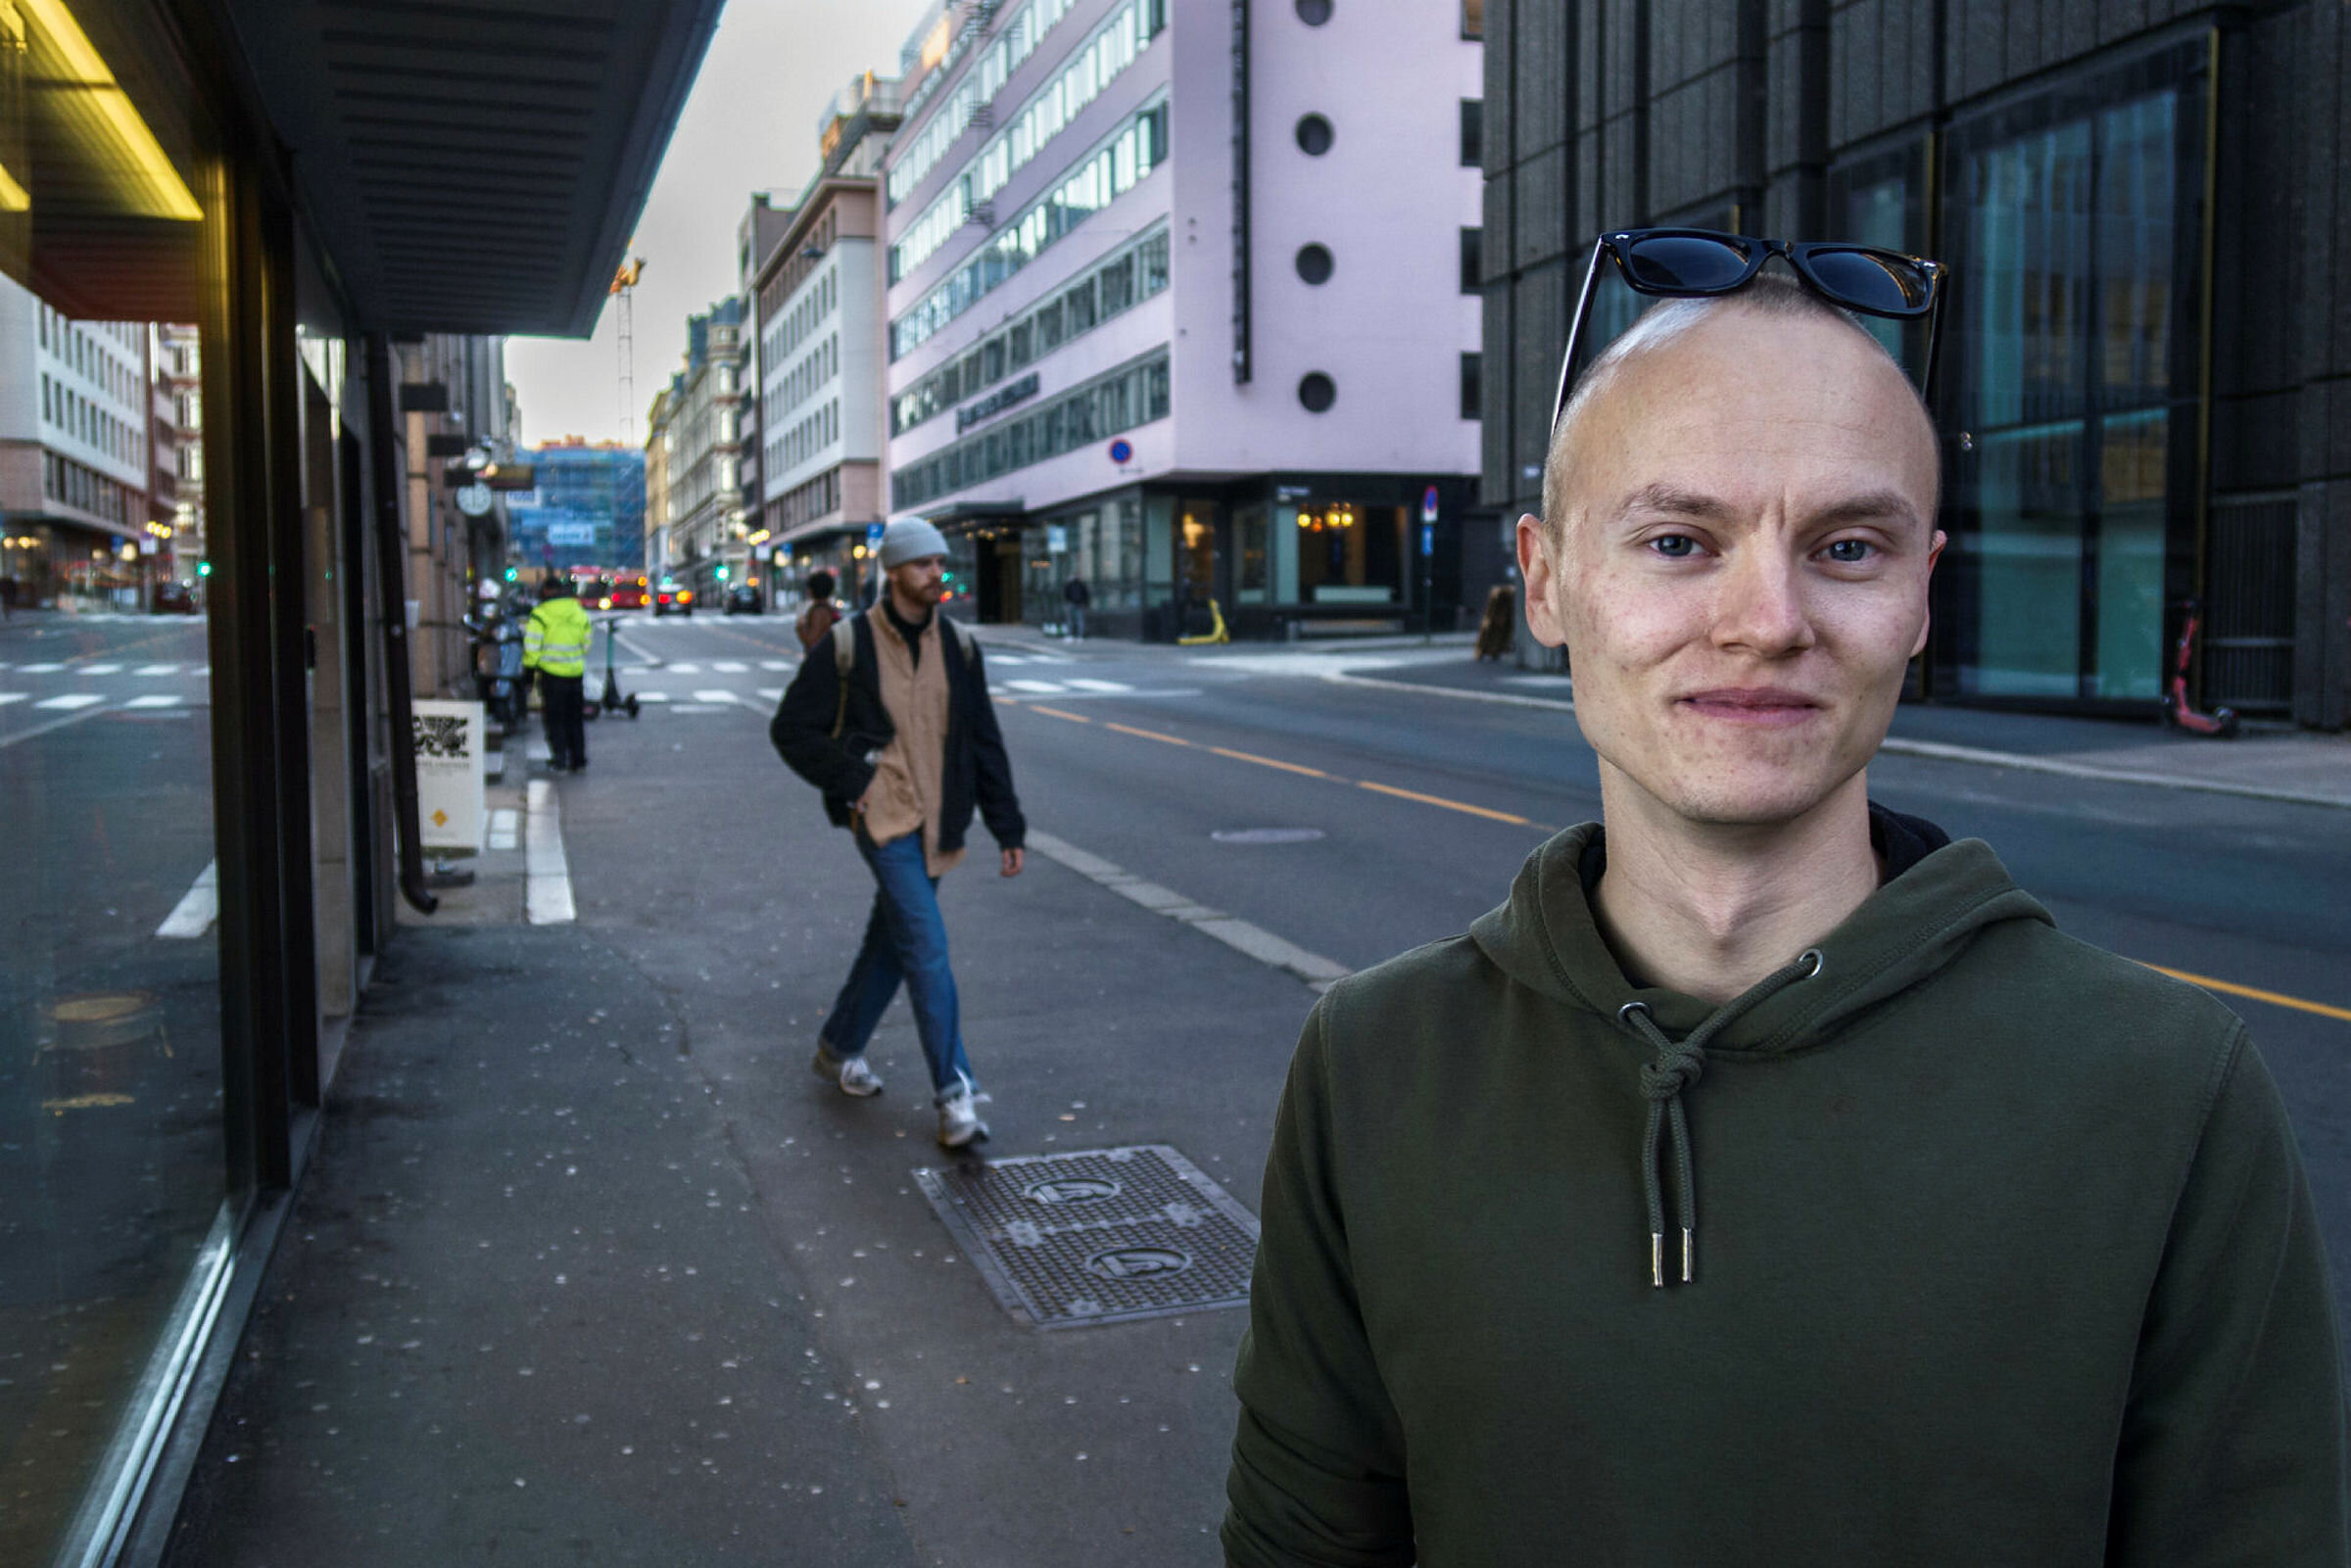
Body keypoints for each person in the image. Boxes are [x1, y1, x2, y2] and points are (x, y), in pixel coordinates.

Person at [1222, 270, 2349, 1564]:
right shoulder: (1375, 1063)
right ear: (1546, 581)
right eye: (1678, 542)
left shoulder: (2168, 1092)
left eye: (1846, 548)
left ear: (1921, 595)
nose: (1766, 623)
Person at [770, 518, 1027, 1149]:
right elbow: (790, 729)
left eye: (941, 563)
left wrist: (1006, 824)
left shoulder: (961, 647)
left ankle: (838, 1048)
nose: (937, 574)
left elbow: (983, 740)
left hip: (941, 817)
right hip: (882, 816)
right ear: (893, 572)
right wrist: (852, 779)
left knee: (894, 939)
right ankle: (955, 1093)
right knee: (927, 946)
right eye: (922, 565)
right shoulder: (848, 643)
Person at [523, 576, 591, 773]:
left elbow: (532, 646)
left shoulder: (540, 614)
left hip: (551, 674)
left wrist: (529, 671)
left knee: (555, 718)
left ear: (545, 591)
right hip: (575, 672)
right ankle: (579, 759)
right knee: (575, 718)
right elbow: (586, 642)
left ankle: (560, 758)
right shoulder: (577, 611)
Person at [795, 567, 842, 652]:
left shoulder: (819, 611)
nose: (808, 591)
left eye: (809, 588)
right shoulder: (829, 608)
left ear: (813, 590)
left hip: (821, 661)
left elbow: (811, 642)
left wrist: (800, 626)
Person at [1062, 573, 1090, 641]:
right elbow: (1086, 595)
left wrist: (1066, 603)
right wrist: (1086, 604)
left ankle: (1070, 635)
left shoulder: (1069, 584)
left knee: (1070, 620)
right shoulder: (1082, 584)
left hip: (1071, 603)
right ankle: (1080, 636)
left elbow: (1066, 594)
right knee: (1080, 620)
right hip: (1080, 604)